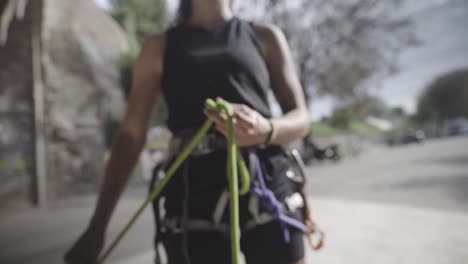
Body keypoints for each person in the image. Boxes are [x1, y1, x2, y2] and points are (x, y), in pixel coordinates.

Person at [64, 0, 317, 263]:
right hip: (191, 196)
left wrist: (267, 129)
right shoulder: (158, 47)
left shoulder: (265, 37)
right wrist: (97, 227)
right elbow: (131, 134)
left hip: (266, 185)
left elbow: (301, 118)